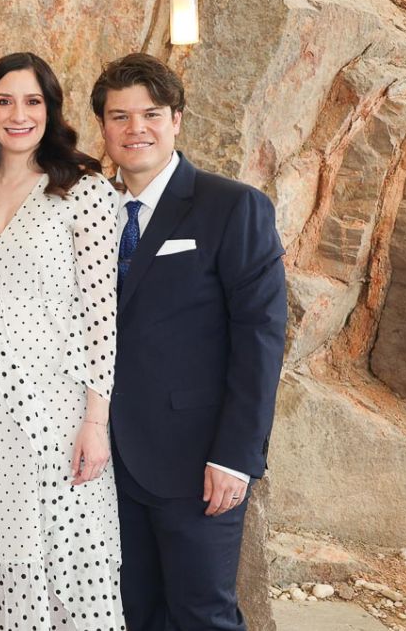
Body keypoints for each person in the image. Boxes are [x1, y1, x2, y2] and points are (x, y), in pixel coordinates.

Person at [91, 53, 287, 631]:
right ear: (103, 127)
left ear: (176, 119)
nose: (136, 129)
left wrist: (234, 457)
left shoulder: (231, 206)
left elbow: (260, 339)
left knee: (203, 615)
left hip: (197, 462)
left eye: (150, 114)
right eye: (119, 116)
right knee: (130, 614)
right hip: (105, 465)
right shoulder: (89, 210)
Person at [0, 52, 124, 630]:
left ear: (51, 110)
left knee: (59, 565)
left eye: (32, 101)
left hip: (53, 410)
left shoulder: (84, 191)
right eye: (5, 101)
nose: (18, 115)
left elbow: (101, 317)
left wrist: (95, 421)